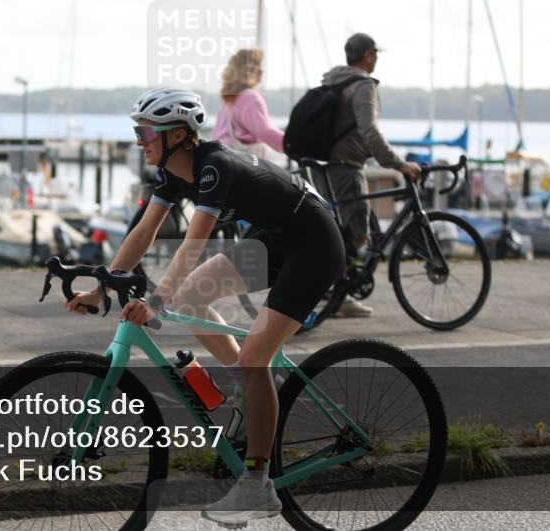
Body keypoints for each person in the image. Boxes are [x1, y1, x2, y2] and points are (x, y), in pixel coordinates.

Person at [65, 87, 344, 525]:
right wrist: (101, 290)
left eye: (146, 133)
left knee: (254, 357)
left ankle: (258, 484)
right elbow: (143, 233)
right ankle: (250, 388)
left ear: (177, 134)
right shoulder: (172, 172)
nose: (139, 141)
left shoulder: (213, 167)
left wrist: (156, 302)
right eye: (137, 132)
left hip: (314, 245)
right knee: (193, 299)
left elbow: (192, 245)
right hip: (275, 239)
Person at [316, 33, 422, 318]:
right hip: (345, 167)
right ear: (368, 56)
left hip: (322, 164)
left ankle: (334, 290)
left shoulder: (333, 81)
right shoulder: (362, 86)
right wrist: (399, 164)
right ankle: (337, 293)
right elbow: (370, 132)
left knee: (338, 230)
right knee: (357, 233)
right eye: (375, 55)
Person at [212, 48, 285, 157]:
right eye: (258, 65)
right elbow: (264, 132)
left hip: (221, 158)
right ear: (250, 70)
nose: (262, 70)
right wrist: (294, 144)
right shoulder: (250, 98)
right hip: (242, 162)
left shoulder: (229, 98)